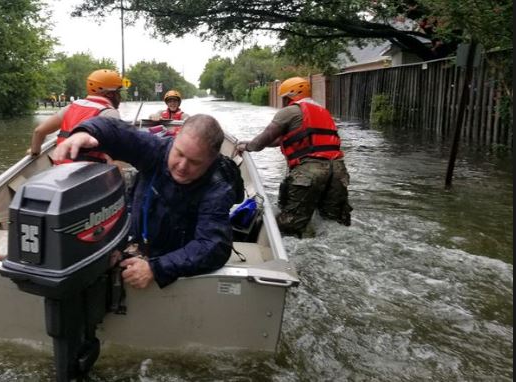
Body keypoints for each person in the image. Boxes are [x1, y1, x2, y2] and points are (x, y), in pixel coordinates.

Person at [51, 114, 237, 289]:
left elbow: (213, 247)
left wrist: (156, 268)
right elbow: (118, 132)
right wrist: (86, 131)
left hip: (177, 260)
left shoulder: (218, 188)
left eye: (194, 162)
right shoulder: (156, 149)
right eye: (179, 153)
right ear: (175, 141)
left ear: (211, 161)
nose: (181, 166)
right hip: (139, 239)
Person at [235, 77, 352, 238]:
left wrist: (246, 146)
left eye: (284, 98)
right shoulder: (322, 112)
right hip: (338, 171)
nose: (283, 102)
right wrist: (253, 143)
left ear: (292, 95)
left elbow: (264, 139)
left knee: (289, 225)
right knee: (332, 222)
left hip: (310, 171)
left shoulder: (289, 112)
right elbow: (284, 139)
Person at [28, 69, 123, 159]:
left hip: (60, 168)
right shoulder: (110, 113)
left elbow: (39, 132)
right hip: (92, 170)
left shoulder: (70, 107)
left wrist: (35, 152)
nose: (120, 96)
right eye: (119, 92)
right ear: (110, 94)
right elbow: (116, 152)